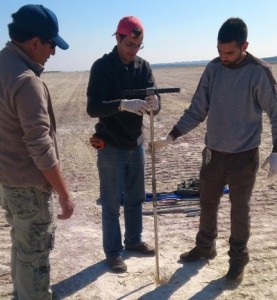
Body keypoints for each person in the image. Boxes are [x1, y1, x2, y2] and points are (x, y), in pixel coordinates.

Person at [153, 17, 277, 282]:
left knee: (239, 209)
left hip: (244, 156)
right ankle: (205, 246)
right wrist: (171, 135)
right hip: (212, 154)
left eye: (229, 52)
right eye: (219, 51)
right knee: (207, 201)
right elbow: (198, 109)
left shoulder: (259, 71)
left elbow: (276, 112)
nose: (223, 56)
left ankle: (238, 259)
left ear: (245, 45)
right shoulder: (213, 68)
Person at [0, 4, 75, 299]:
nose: (52, 53)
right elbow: (41, 148)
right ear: (34, 42)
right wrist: (64, 194)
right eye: (50, 45)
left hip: (8, 183)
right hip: (29, 189)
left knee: (22, 247)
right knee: (35, 256)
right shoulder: (26, 81)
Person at [86, 16, 160, 273]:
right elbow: (92, 107)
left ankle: (134, 240)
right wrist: (120, 105)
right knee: (110, 202)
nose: (133, 51)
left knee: (136, 198)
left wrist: (155, 104)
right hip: (110, 146)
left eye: (138, 46)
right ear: (117, 38)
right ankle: (114, 252)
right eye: (129, 44)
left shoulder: (144, 67)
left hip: (135, 143)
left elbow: (153, 98)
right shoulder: (102, 67)